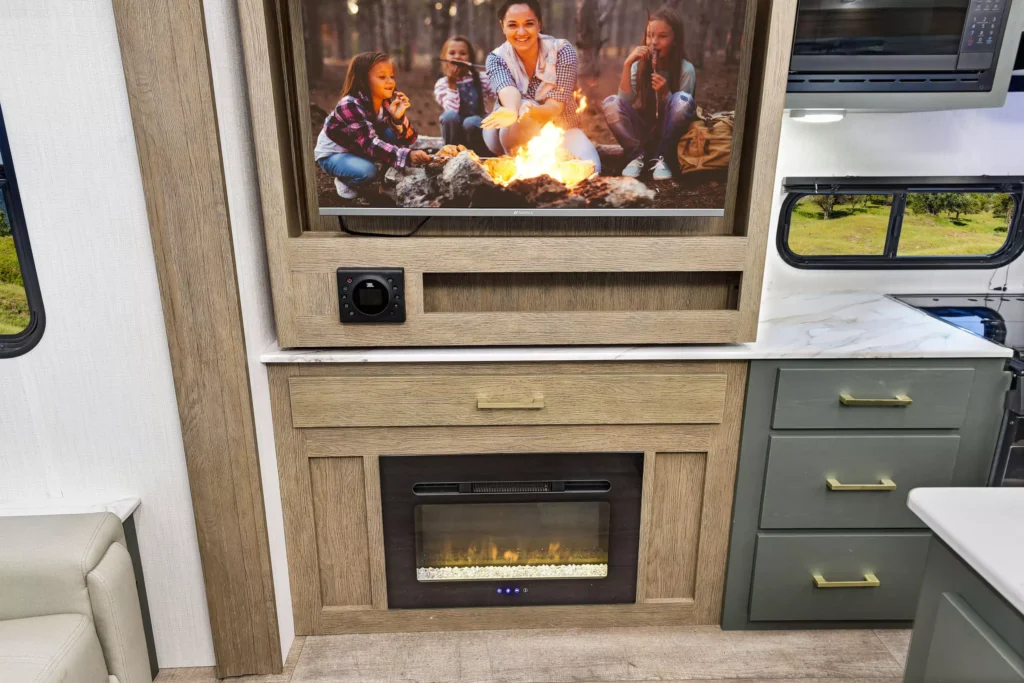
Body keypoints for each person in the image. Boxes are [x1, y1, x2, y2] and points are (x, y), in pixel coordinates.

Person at [481, 0, 601, 173]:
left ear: (539, 24)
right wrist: (513, 110)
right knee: (520, 107)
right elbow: (508, 90)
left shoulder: (562, 51)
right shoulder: (496, 58)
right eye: (513, 25)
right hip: (506, 131)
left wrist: (531, 111)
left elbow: (555, 107)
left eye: (528, 24)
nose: (521, 32)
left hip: (559, 125)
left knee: (593, 169)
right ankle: (516, 166)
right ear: (503, 26)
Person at [314, 52, 430, 199]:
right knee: (368, 172)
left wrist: (397, 119)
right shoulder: (349, 105)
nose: (390, 82)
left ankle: (386, 184)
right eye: (382, 77)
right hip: (335, 155)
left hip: (359, 149)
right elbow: (370, 144)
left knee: (393, 131)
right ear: (363, 81)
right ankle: (346, 179)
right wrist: (407, 155)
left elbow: (410, 138)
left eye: (392, 76)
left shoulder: (385, 103)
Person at [601, 7, 697, 181]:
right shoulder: (639, 67)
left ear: (675, 40)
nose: (654, 42)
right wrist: (627, 65)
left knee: (683, 100)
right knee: (610, 102)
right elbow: (622, 104)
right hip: (643, 132)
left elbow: (683, 115)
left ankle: (663, 158)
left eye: (662, 36)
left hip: (671, 137)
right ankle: (636, 156)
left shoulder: (685, 70)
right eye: (650, 35)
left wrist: (666, 94)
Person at [434, 36, 495, 156]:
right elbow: (452, 111)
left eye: (463, 53)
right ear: (444, 58)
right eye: (452, 53)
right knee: (449, 116)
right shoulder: (442, 84)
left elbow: (499, 94)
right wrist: (452, 84)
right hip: (455, 132)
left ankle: (479, 155)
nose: (457, 57)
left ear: (470, 58)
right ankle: (449, 153)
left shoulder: (482, 78)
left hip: (476, 125)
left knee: (470, 122)